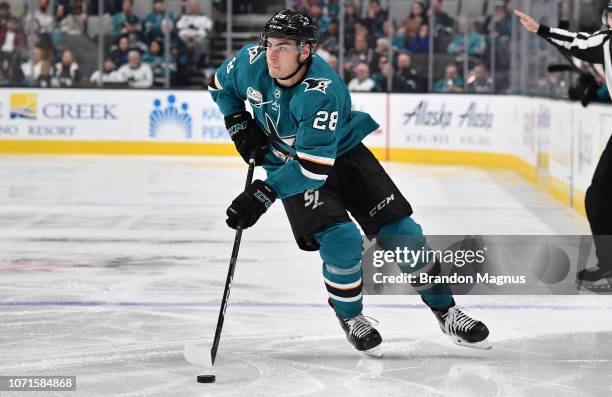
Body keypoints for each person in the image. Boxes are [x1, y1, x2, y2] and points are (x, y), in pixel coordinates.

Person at [208, 9, 491, 357]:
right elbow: (219, 86)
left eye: (284, 46)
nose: (273, 53)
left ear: (306, 50)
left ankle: (446, 311)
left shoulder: (323, 90)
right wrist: (237, 121)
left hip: (338, 157)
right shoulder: (250, 62)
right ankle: (352, 318)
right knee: (340, 241)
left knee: (403, 234)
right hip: (289, 164)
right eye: (270, 44)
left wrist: (265, 193)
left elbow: (313, 170)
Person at [516, 6, 612, 289]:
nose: (610, 18)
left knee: (599, 198)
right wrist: (541, 30)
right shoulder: (606, 42)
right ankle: (608, 266)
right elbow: (576, 42)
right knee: (598, 198)